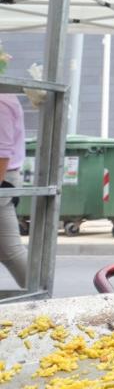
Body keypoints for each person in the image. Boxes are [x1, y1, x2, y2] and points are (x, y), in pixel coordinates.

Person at [0, 94, 27, 288]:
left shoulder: (2, 100)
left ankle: (44, 301)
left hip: (3, 178)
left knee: (10, 251)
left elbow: (2, 152)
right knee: (9, 250)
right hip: (5, 176)